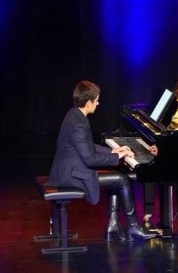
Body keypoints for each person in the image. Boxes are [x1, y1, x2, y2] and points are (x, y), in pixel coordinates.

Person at [48, 80, 158, 241]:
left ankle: (113, 225)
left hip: (66, 168)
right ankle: (133, 227)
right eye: (96, 100)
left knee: (117, 176)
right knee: (122, 179)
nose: (98, 103)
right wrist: (117, 157)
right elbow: (90, 159)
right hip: (71, 174)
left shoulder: (74, 114)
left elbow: (87, 145)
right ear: (88, 103)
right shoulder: (79, 124)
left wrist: (113, 150)